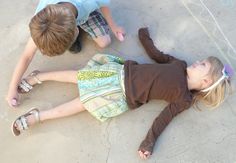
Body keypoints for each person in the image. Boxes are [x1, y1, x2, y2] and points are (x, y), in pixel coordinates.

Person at [11, 28, 232, 160]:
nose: (197, 61)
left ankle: (36, 117)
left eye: (202, 64)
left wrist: (148, 143)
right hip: (120, 72)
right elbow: (158, 56)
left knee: (80, 104)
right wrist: (145, 38)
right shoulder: (179, 64)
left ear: (206, 81)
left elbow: (163, 119)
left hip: (120, 95)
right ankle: (38, 77)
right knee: (77, 77)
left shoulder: (183, 98)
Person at [6, 0, 125, 108]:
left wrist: (113, 26)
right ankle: (66, 36)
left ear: (76, 31)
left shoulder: (88, 2)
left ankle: (71, 33)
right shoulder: (42, 21)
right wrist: (12, 88)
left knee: (105, 42)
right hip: (72, 15)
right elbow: (26, 56)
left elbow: (103, 3)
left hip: (84, 10)